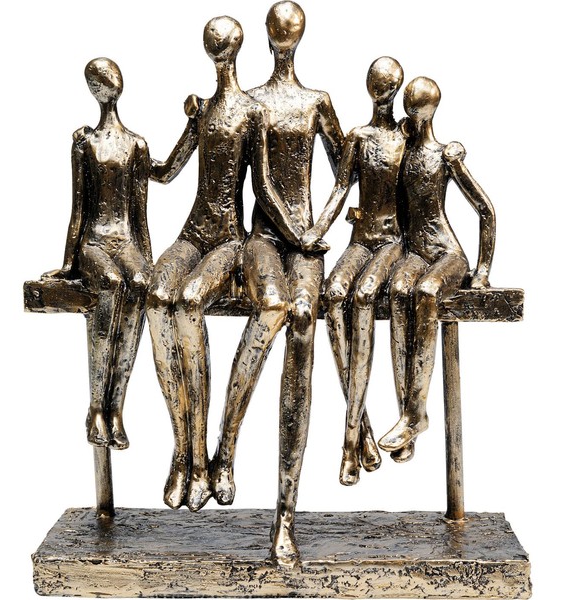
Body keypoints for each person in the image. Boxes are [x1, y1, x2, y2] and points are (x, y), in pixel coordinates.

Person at [210, 1, 358, 567]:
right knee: (271, 309)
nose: (282, 37)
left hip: (307, 242)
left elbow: (347, 170)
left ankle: (285, 515)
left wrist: (327, 224)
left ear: (298, 36)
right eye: (276, 30)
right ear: (267, 35)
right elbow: (245, 181)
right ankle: (225, 448)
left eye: (289, 30)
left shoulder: (317, 101)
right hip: (264, 238)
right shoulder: (250, 103)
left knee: (303, 326)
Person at [146, 16, 302, 513]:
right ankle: (184, 451)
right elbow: (166, 170)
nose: (218, 49)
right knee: (156, 296)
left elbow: (264, 188)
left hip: (229, 239)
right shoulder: (202, 110)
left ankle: (211, 455)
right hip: (192, 233)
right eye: (212, 43)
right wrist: (129, 152)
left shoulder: (252, 112)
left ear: (233, 48)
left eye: (223, 43)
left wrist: (300, 237)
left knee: (190, 300)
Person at [302, 57, 413, 487]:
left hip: (391, 243)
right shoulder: (358, 137)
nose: (380, 90)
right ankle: (361, 424)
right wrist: (317, 229)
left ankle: (349, 445)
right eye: (375, 83)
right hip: (359, 240)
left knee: (364, 296)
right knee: (332, 295)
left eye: (386, 84)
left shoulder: (406, 139)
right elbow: (338, 189)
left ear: (395, 88)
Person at [378, 77, 496, 454]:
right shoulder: (402, 154)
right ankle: (408, 416)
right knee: (399, 290)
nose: (410, 114)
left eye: (415, 108)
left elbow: (485, 210)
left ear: (427, 111)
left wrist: (482, 270)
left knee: (427, 291)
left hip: (447, 254)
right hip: (414, 253)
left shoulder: (445, 155)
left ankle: (415, 413)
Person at [43, 58, 152, 451]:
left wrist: (148, 262)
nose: (108, 83)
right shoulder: (84, 144)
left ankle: (117, 406)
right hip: (94, 242)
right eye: (99, 79)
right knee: (109, 282)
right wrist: (68, 264)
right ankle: (96, 408)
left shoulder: (137, 144)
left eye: (109, 76)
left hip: (126, 241)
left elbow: (140, 214)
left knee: (138, 283)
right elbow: (78, 209)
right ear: (94, 89)